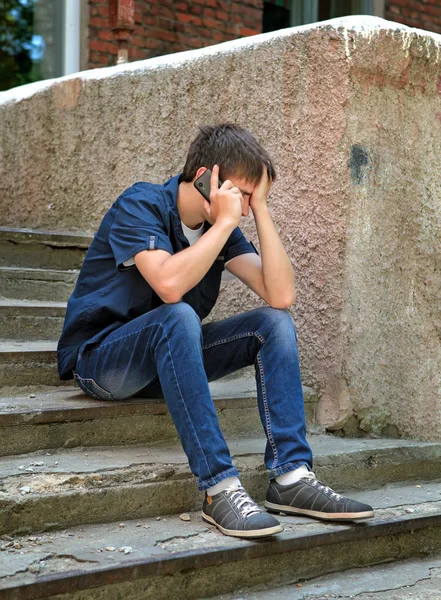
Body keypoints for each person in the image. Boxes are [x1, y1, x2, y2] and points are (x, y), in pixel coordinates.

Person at [57, 123, 374, 539]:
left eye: (250, 200)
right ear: (206, 177)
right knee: (179, 314)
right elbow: (169, 285)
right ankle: (219, 488)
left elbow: (280, 295)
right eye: (242, 195)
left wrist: (260, 209)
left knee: (273, 323)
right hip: (103, 361)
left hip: (170, 360)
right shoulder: (141, 203)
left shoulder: (220, 228)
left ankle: (292, 477)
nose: (241, 210)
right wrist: (224, 226)